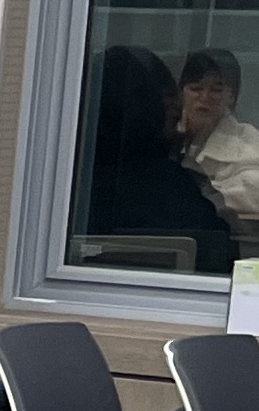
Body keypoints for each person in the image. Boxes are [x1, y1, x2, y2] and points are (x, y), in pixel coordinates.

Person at [78, 44, 239, 275]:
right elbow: (221, 256)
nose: (175, 109)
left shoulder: (67, 186)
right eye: (167, 98)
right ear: (151, 109)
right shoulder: (170, 189)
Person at [178, 46, 259, 224]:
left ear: (232, 96)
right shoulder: (167, 136)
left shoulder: (247, 139)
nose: (205, 96)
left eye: (216, 90)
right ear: (182, 92)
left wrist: (199, 200)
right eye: (196, 88)